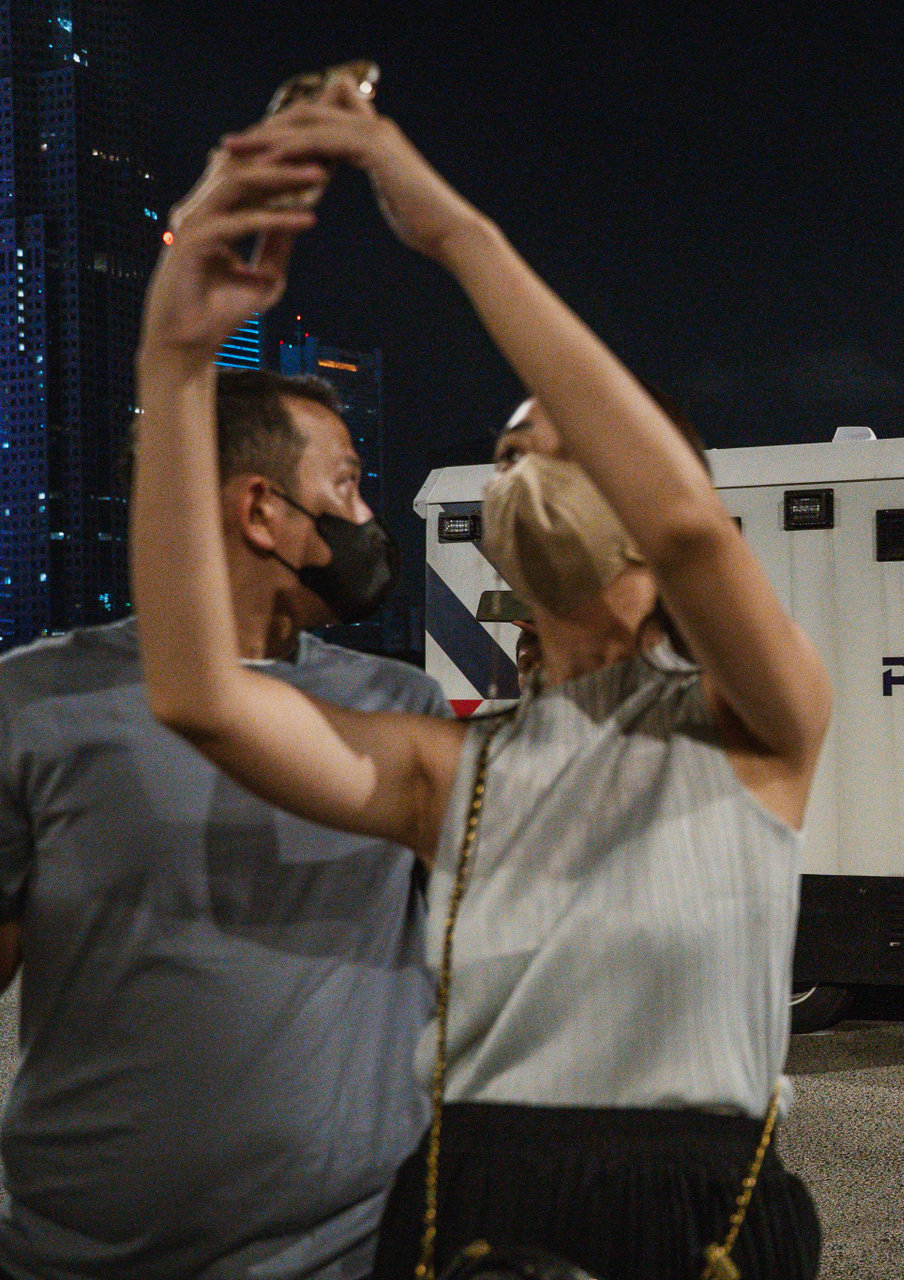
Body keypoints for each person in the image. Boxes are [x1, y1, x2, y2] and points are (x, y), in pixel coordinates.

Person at [130, 79, 832, 1280]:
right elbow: (199, 694)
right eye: (509, 453)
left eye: (564, 448)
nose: (520, 469)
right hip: (470, 1205)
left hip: (698, 1217)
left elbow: (690, 531)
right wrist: (176, 353)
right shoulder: (451, 769)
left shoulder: (758, 725)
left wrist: (456, 234)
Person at [0, 369, 447, 1279]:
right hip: (77, 1261)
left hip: (357, 1255)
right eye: (347, 485)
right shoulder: (30, 702)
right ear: (261, 511)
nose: (367, 518)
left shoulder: (402, 709)